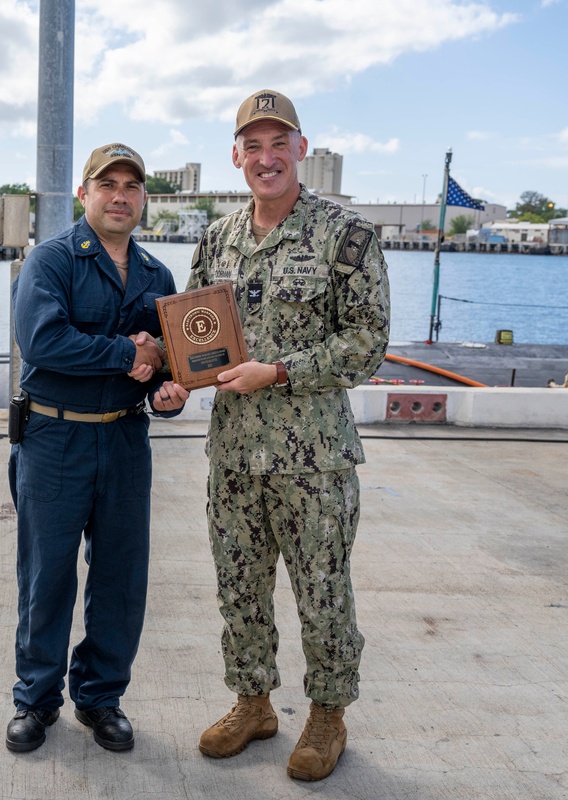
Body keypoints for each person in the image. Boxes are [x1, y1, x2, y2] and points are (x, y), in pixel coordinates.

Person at [189, 90, 390, 781]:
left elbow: (367, 343)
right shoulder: (217, 239)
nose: (266, 158)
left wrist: (278, 371)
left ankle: (328, 715)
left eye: (280, 143)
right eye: (253, 145)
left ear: (302, 149)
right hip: (236, 456)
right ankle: (253, 703)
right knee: (238, 588)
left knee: (322, 591)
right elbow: (193, 335)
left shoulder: (345, 234)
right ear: (236, 155)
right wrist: (171, 378)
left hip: (314, 460)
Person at [6, 143, 189, 753]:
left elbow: (169, 367)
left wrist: (169, 392)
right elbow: (43, 341)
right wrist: (126, 351)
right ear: (84, 193)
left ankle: (101, 698)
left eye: (131, 186)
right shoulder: (51, 261)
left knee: (121, 576)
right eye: (106, 183)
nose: (119, 195)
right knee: (47, 575)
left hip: (125, 436)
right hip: (55, 437)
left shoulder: (158, 278)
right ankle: (36, 700)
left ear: (143, 199)